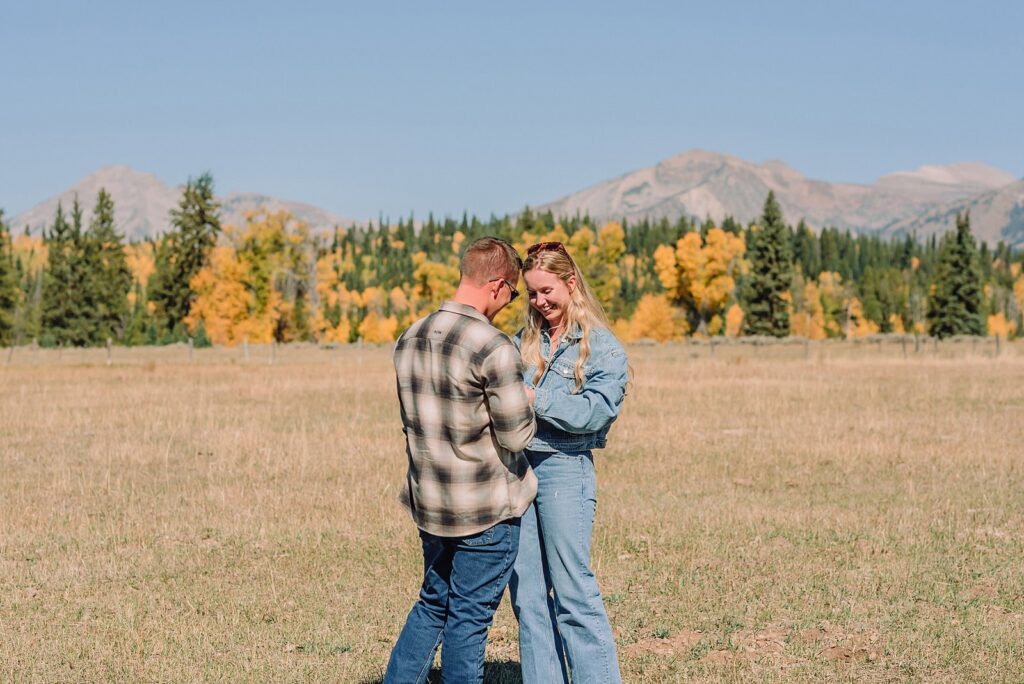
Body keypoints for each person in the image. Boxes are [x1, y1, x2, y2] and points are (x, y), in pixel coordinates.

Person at [384, 236, 538, 684]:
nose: (511, 302)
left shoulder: (409, 336)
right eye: (512, 293)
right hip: (485, 511)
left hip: (431, 505)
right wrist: (526, 400)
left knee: (432, 603)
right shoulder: (493, 346)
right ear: (496, 285)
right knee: (469, 623)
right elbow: (515, 434)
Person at [508, 241, 629, 684]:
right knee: (529, 597)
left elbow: (596, 412)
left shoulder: (603, 347)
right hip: (517, 469)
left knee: (573, 591)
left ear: (570, 283)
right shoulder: (523, 341)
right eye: (532, 294)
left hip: (564, 468)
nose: (540, 302)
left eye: (547, 291)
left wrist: (536, 398)